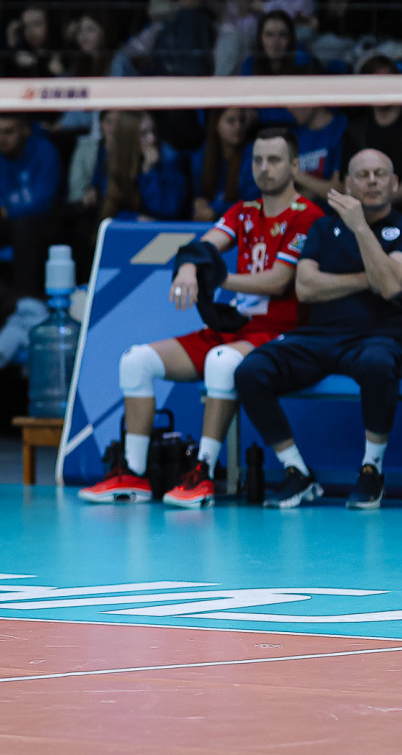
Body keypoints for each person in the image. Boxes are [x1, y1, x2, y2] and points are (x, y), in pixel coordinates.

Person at [79, 129, 322, 508]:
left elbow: (278, 281)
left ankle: (203, 473)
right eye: (257, 160)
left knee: (220, 362)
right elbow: (201, 247)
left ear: (294, 167)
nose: (264, 168)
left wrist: (218, 277)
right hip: (237, 327)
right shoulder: (244, 211)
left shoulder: (308, 216)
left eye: (274, 160)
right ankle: (133, 474)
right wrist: (191, 268)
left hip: (282, 331)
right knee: (135, 360)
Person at [234, 149, 402, 510]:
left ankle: (371, 469)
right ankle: (296, 471)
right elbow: (306, 288)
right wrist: (368, 278)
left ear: (395, 183)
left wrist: (360, 228)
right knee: (250, 371)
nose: (371, 181)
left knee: (378, 365)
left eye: (380, 174)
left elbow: (389, 286)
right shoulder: (323, 228)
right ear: (347, 184)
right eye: (362, 175)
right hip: (319, 337)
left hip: (380, 336)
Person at [0, 114, 62, 296]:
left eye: (8, 132)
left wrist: (6, 212)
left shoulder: (45, 151)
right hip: (1, 221)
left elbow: (44, 202)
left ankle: (26, 298)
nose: (1, 138)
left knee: (25, 228)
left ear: (25, 131)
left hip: (38, 221)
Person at [95, 110, 188, 221]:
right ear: (128, 138)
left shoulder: (169, 159)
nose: (152, 138)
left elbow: (169, 210)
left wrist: (149, 173)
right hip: (132, 229)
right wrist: (134, 218)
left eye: (153, 131)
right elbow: (110, 210)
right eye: (144, 134)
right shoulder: (118, 161)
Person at [344, 105, 402, 211]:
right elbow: (347, 181)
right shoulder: (356, 130)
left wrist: (382, 203)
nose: (372, 180)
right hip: (366, 214)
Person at [190, 106, 259, 222]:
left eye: (241, 120)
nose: (238, 126)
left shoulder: (254, 157)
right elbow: (195, 197)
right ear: (216, 124)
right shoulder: (201, 157)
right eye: (231, 121)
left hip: (241, 225)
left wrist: (215, 210)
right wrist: (197, 205)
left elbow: (252, 203)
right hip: (205, 224)